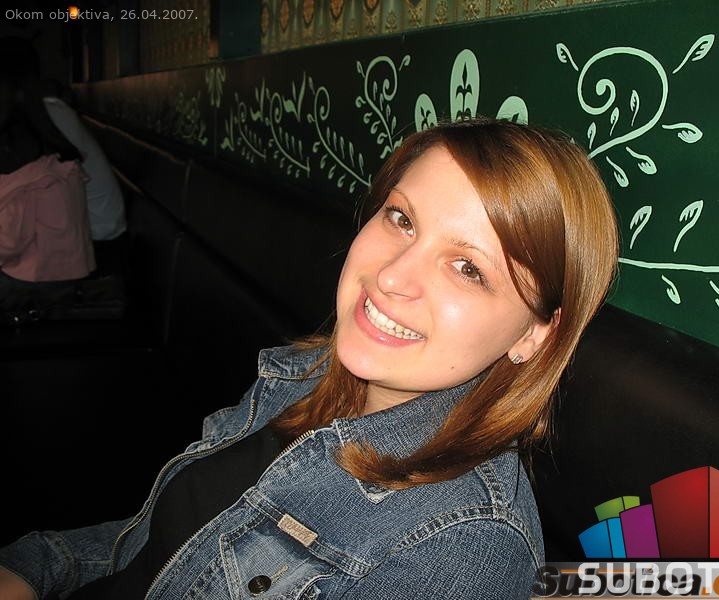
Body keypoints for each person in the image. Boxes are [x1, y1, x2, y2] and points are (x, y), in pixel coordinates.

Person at [0, 118, 618, 598]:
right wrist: (35, 566)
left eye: (467, 268)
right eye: (402, 219)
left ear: (535, 335)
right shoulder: (306, 376)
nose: (392, 276)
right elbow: (156, 546)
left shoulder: (465, 548)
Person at [0, 54, 95, 309]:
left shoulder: (19, 160)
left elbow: (8, 244)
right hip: (65, 275)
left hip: (35, 283)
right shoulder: (54, 153)